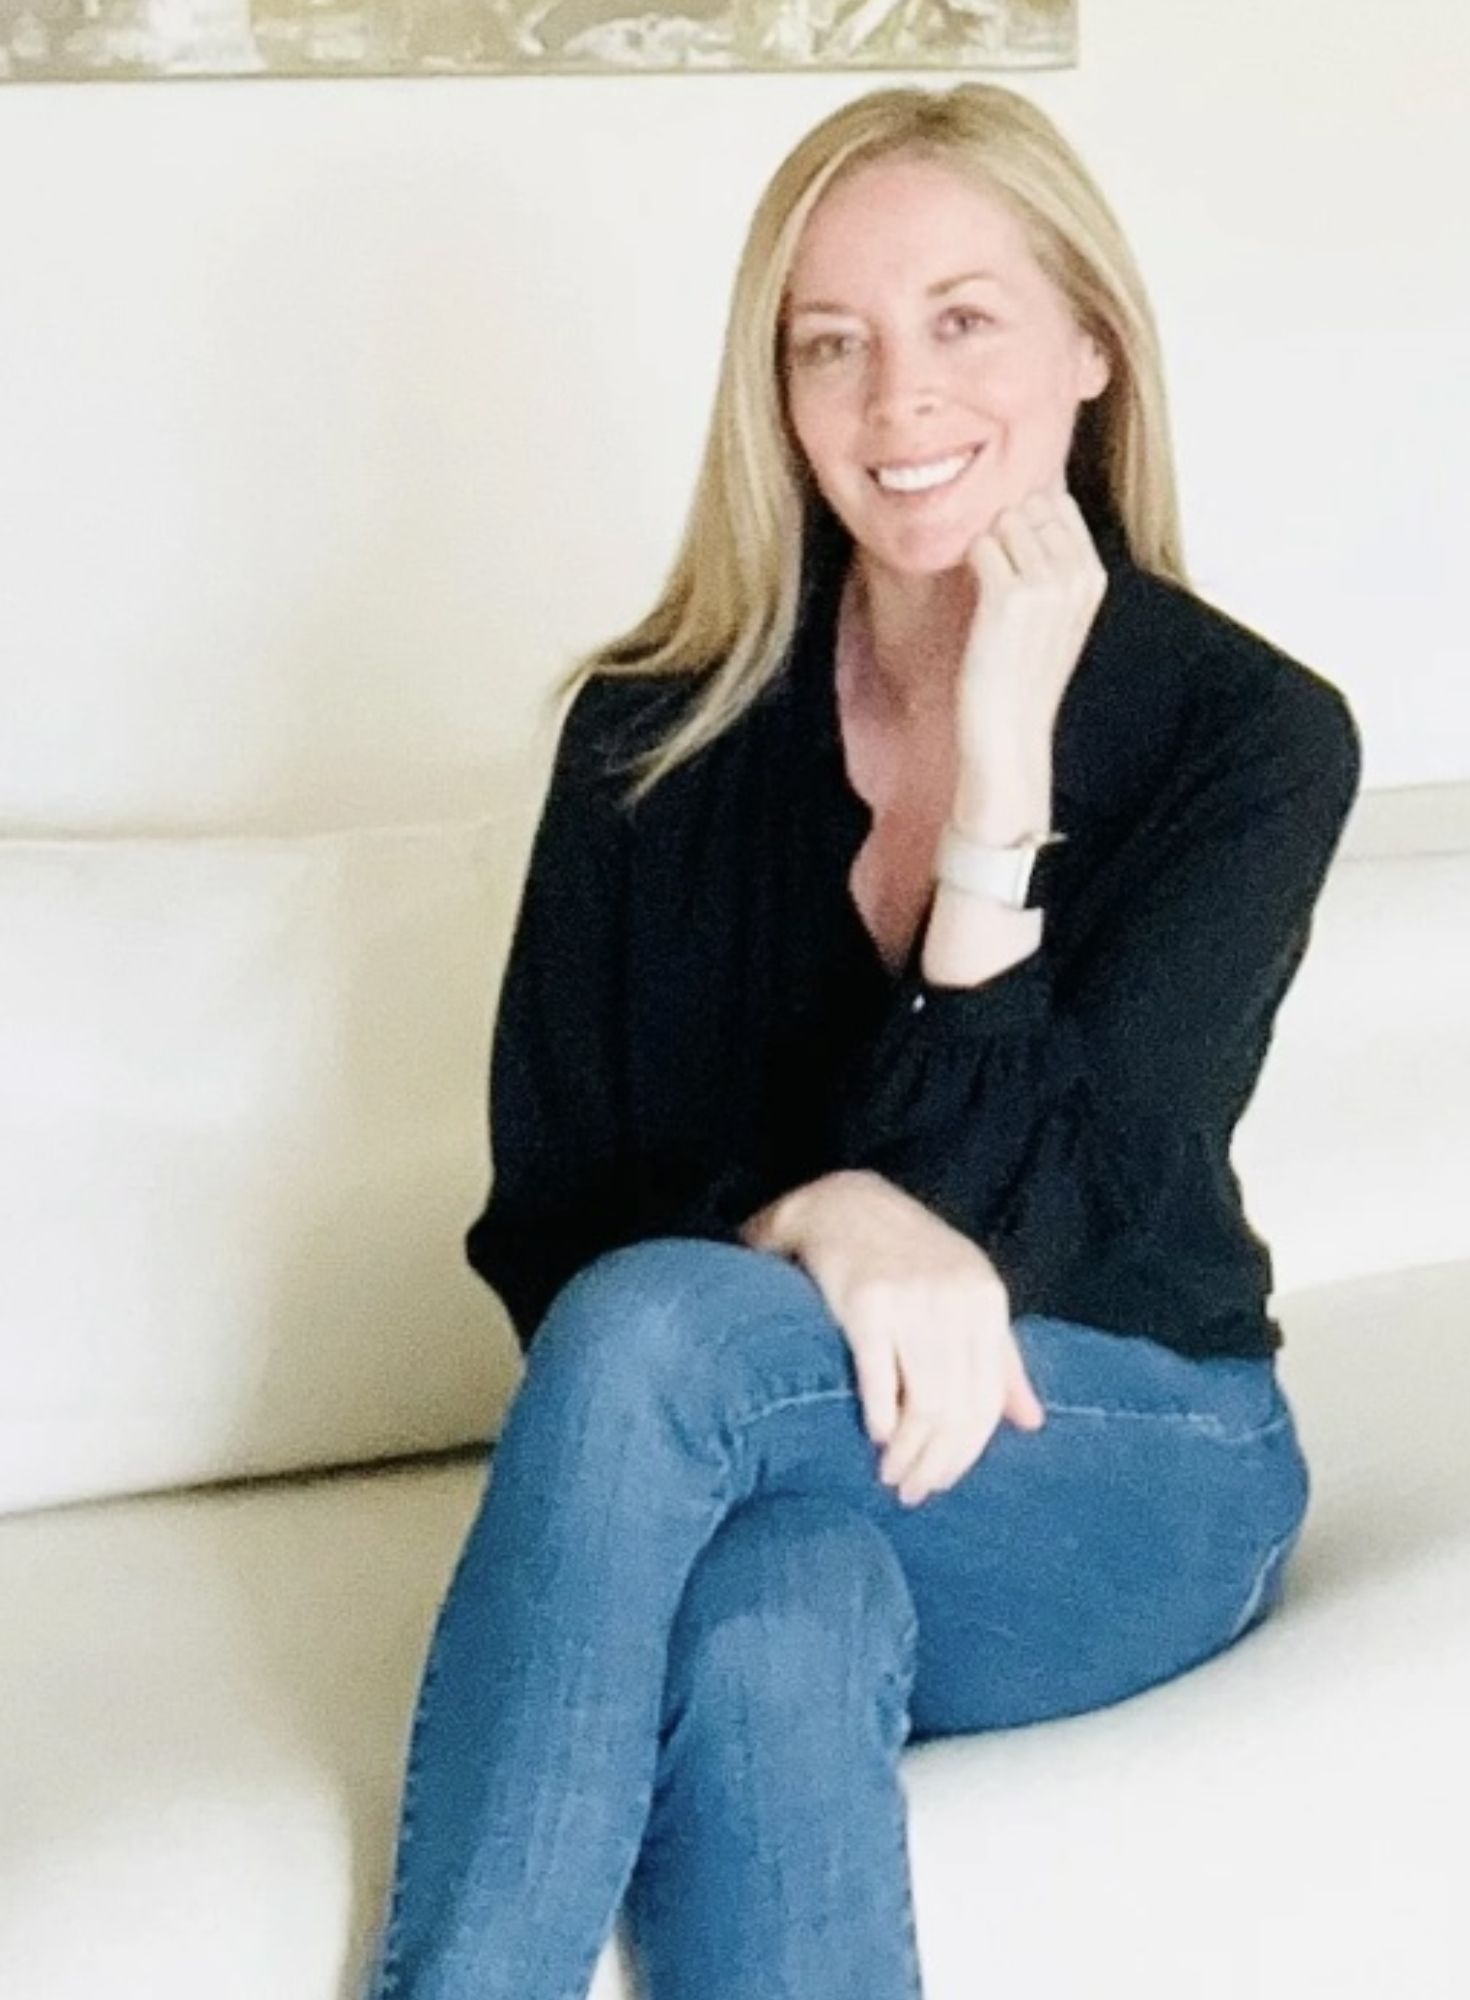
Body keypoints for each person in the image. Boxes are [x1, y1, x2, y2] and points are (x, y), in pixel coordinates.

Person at [362, 79, 1362, 2000]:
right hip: (794, 1470)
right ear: (781, 390)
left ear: (1091, 348)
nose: (898, 400)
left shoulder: (1252, 739)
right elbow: (555, 1224)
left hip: (1121, 1451)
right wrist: (817, 1218)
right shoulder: (647, 738)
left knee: (666, 1334)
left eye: (963, 320)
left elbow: (1049, 1227)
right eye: (836, 343)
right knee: (769, 1622)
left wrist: (997, 793)